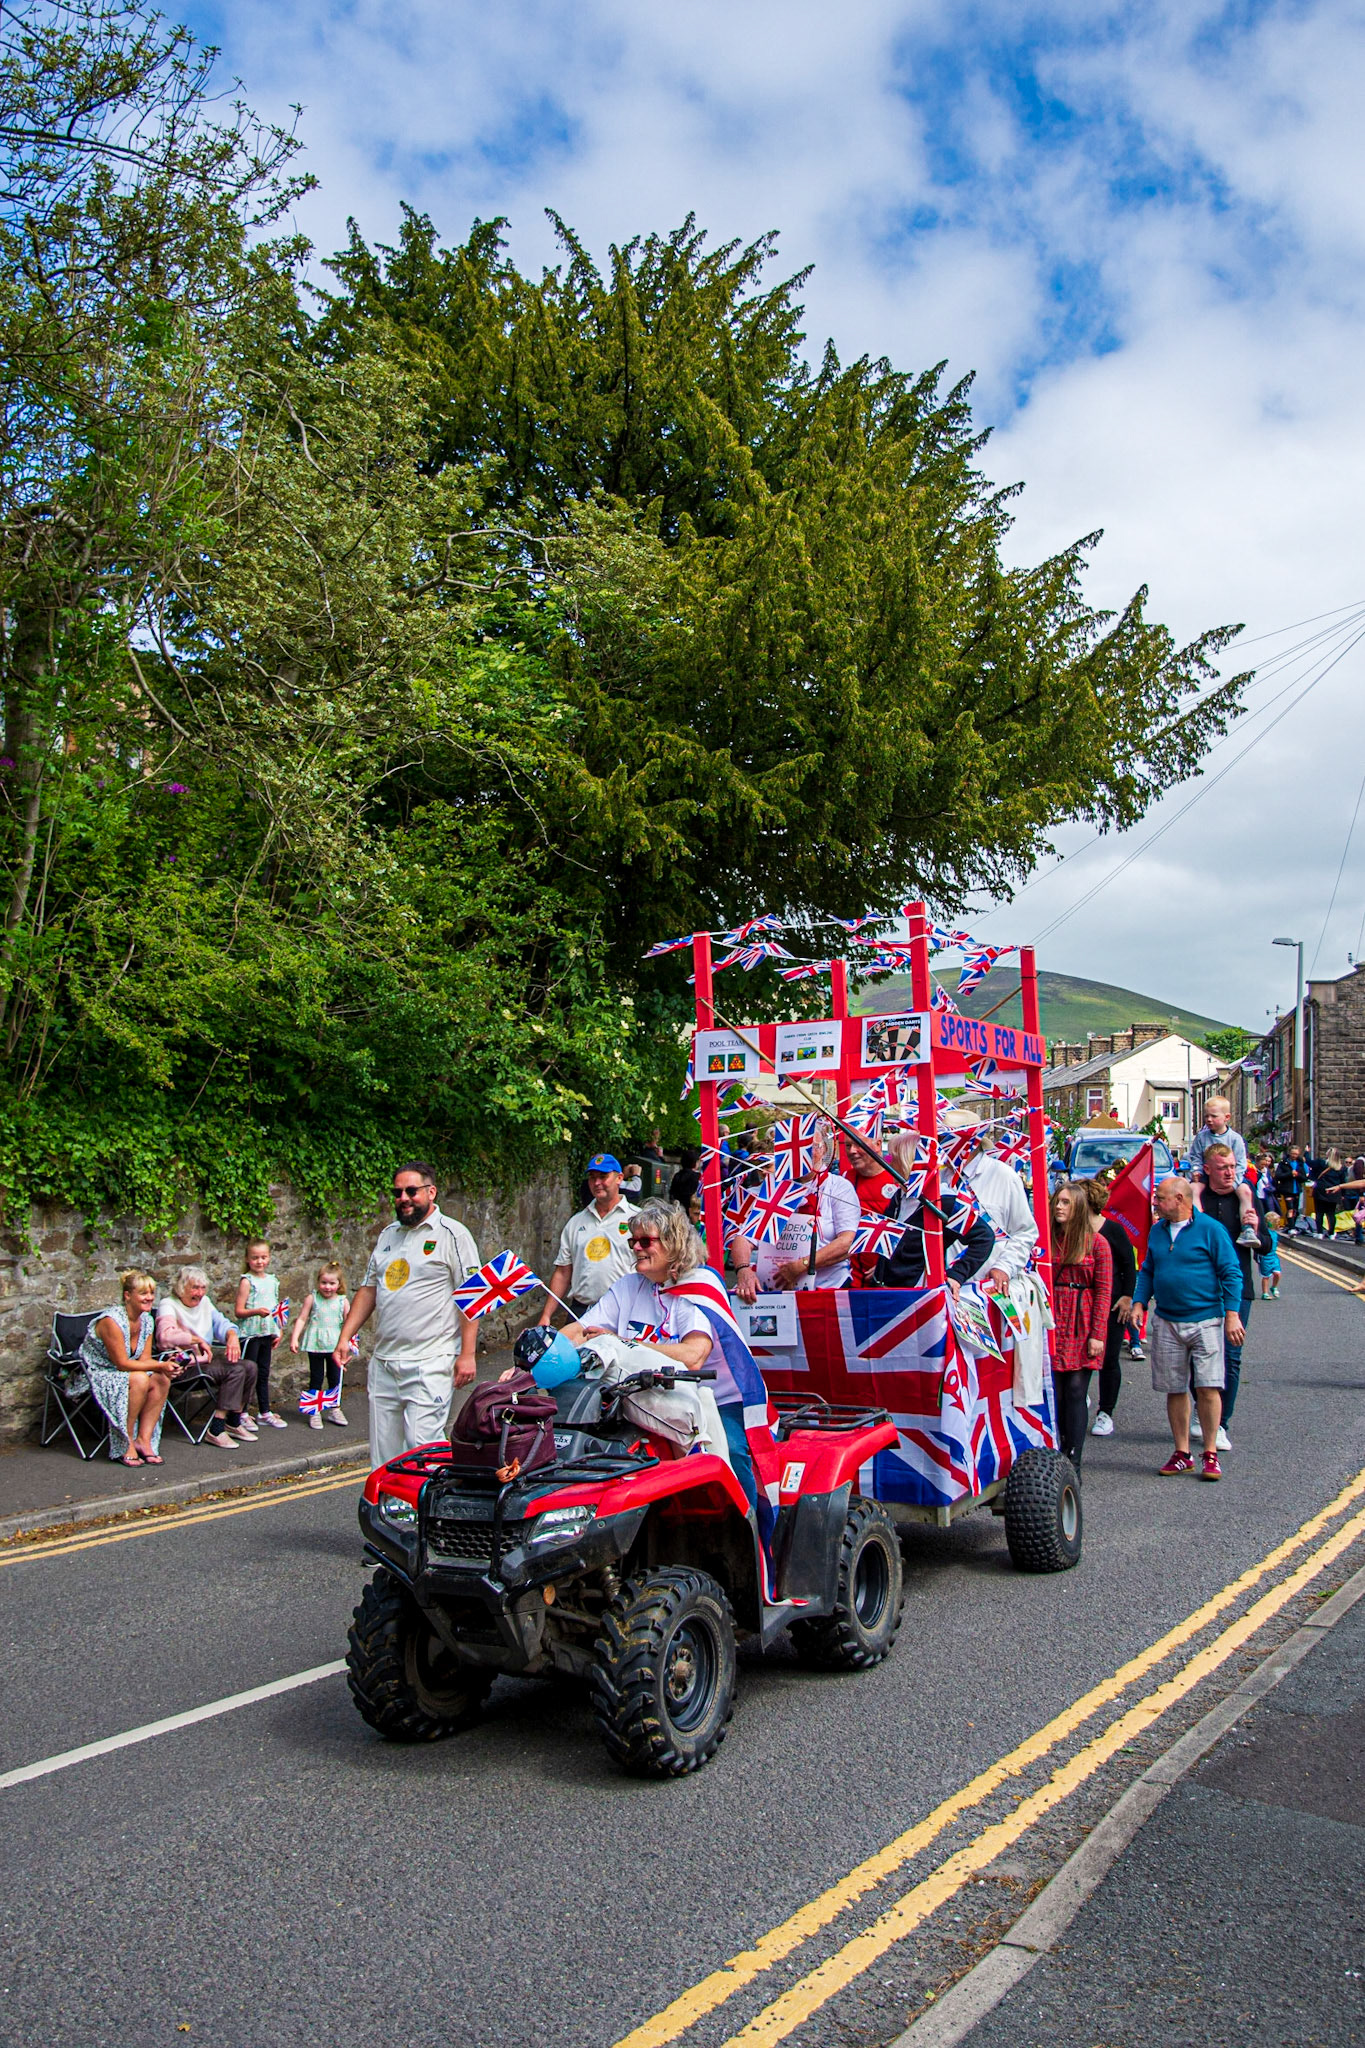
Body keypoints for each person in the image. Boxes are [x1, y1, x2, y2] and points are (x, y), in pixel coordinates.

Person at [562, 1196, 762, 1508]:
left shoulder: (700, 1284)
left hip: (713, 1398)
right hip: (644, 1397)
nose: (636, 1248)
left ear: (673, 1242)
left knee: (733, 1452)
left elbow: (694, 1356)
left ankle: (748, 1526)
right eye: (633, 1241)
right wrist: (545, 1349)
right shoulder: (629, 1286)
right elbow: (580, 1330)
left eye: (646, 1241)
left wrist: (621, 1343)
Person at [334, 1162, 481, 1468]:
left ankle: (433, 1500)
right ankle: (389, 1501)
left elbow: (473, 1295)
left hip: (431, 1360)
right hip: (385, 1362)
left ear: (431, 1192)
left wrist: (467, 1354)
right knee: (384, 1457)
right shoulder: (388, 1235)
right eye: (398, 1192)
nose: (404, 1198)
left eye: (411, 1191)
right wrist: (345, 1337)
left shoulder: (453, 1234)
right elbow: (369, 1290)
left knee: (422, 1449)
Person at [1130, 1176, 1244, 1481]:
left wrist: (1232, 1315)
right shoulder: (1157, 1230)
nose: (1155, 1202)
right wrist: (1139, 1302)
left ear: (1179, 1199)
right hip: (1167, 1320)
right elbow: (1148, 1269)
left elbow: (1231, 1272)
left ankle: (1210, 1452)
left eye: (1160, 1198)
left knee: (1208, 1387)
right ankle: (1182, 1453)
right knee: (1175, 1388)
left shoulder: (1211, 1230)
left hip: (1205, 1319)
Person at [1195, 1142, 1270, 1450]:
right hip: (1201, 1288)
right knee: (1197, 1355)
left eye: (1232, 1167)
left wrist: (1256, 1229)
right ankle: (1202, 1410)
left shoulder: (1246, 1197)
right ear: (1208, 1169)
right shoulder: (1197, 1198)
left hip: (1239, 1290)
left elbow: (1267, 1245)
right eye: (1222, 1168)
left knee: (1231, 1357)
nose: (1229, 1173)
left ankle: (1221, 1423)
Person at [730, 1124, 859, 1300]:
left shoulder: (839, 1187)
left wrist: (801, 1265)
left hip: (829, 1289)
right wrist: (743, 1270)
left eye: (812, 1146)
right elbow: (744, 1237)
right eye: (799, 1147)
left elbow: (846, 1243)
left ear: (823, 1149)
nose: (805, 1153)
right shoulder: (774, 1189)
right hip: (775, 1290)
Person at [863, 1133, 997, 1293]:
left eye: (892, 1158)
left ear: (907, 1162)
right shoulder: (900, 1196)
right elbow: (894, 1243)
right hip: (888, 1291)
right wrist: (882, 1268)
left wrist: (957, 1275)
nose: (888, 1163)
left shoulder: (943, 1201)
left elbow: (984, 1237)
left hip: (919, 1294)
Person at [81, 1269, 179, 1465]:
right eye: (143, 1293)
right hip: (97, 1373)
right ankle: (125, 1442)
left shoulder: (147, 1320)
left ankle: (143, 1440)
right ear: (127, 1295)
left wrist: (165, 1367)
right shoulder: (112, 1321)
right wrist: (160, 1364)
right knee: (141, 1378)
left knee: (161, 1378)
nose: (149, 1298)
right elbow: (122, 1363)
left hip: (127, 1372)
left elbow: (144, 1359)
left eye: (151, 1293)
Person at [1048, 1183, 1112, 1474]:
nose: (1059, 1207)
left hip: (1081, 1318)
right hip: (1054, 1316)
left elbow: (1104, 1291)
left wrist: (1097, 1334)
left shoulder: (1097, 1244)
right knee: (1057, 1392)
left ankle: (1074, 1458)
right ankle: (1059, 1449)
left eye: (1065, 1202)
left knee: (1076, 1389)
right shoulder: (1049, 1239)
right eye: (1057, 1202)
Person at [154, 1266, 253, 1450]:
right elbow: (165, 1337)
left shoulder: (205, 1302)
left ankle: (233, 1421)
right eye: (194, 1288)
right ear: (181, 1288)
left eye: (202, 1288)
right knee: (236, 1370)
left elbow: (222, 1324)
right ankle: (216, 1429)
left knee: (250, 1367)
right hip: (182, 1367)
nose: (199, 1293)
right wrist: (195, 1340)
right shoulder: (168, 1305)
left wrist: (232, 1335)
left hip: (205, 1363)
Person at [538, 1152, 637, 1325]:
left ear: (619, 1178)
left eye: (603, 1176)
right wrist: (546, 1315)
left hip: (624, 1312)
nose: (597, 1183)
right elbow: (562, 1272)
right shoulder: (576, 1222)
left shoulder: (637, 1220)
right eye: (592, 1177)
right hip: (581, 1312)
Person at [1079, 1180, 1137, 1440]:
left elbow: (1128, 1265)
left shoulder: (1113, 1230)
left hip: (1112, 1304)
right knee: (1079, 1356)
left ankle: (1106, 1412)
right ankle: (1079, 1396)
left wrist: (1127, 1297)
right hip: (1080, 1305)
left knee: (1109, 1358)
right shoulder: (1070, 1230)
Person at [952, 1124, 1040, 1294]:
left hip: (989, 1289)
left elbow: (1025, 1232)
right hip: (949, 1288)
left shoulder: (1004, 1176)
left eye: (945, 1140)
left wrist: (1004, 1267)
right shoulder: (939, 1178)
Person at [1187, 1098, 1260, 1246]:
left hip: (1233, 1178)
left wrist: (1234, 1184)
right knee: (1193, 1189)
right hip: (1206, 1175)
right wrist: (1196, 1171)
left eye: (1214, 1116)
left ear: (1227, 1117)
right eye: (1206, 1116)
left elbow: (1241, 1164)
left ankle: (1247, 1229)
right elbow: (1195, 1157)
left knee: (1245, 1192)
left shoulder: (1235, 1139)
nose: (1209, 1119)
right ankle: (1196, 1223)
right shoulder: (1201, 1137)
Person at [290, 1261, 351, 1429]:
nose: (327, 1287)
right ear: (318, 1282)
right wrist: (295, 1338)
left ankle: (335, 1408)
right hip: (315, 1344)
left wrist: (348, 1342)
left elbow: (349, 1323)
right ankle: (314, 1410)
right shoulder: (312, 1298)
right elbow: (302, 1318)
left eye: (332, 1283)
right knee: (316, 1377)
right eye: (324, 1282)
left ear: (339, 1284)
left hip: (335, 1346)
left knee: (335, 1378)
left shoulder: (342, 1301)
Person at [234, 1238, 285, 1431]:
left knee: (263, 1373)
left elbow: (278, 1309)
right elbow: (239, 1311)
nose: (259, 1261)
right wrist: (256, 1312)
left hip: (266, 1333)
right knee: (249, 1373)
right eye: (255, 1258)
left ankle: (264, 1411)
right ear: (247, 1259)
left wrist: (278, 1330)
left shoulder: (272, 1280)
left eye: (263, 1257)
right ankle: (241, 1413)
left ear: (269, 1258)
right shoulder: (247, 1281)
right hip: (250, 1334)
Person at [846, 1135, 901, 1287]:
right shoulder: (844, 1180)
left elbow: (914, 1235)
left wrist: (888, 1266)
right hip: (851, 1281)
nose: (852, 1151)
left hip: (889, 1283)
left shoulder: (898, 1179)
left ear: (878, 1144)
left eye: (858, 1144)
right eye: (848, 1145)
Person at [1311, 1149, 1349, 1238]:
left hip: (1321, 1191)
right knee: (1331, 1213)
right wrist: (1343, 1194)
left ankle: (1319, 1233)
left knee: (1319, 1212)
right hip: (1333, 1192)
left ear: (1328, 1155)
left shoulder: (1321, 1163)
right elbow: (1343, 1182)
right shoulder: (1341, 1168)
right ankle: (1331, 1233)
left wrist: (1306, 1152)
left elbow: (1309, 1163)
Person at [1273, 1145, 1309, 1227]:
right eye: (1292, 1153)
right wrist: (1290, 1174)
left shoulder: (1300, 1163)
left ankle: (1291, 1225)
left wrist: (1297, 1175)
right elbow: (1278, 1175)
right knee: (1290, 1208)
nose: (1294, 1156)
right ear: (1289, 1153)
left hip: (1297, 1189)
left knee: (1295, 1210)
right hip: (1287, 1189)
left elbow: (1304, 1178)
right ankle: (1291, 1227)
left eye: (1296, 1154)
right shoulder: (1283, 1163)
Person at [668, 1147, 703, 1214]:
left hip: (678, 1209)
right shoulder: (697, 1177)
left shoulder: (677, 1176)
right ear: (695, 1162)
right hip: (693, 1209)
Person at [1259, 1221, 1281, 1299]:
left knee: (1277, 1273)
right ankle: (1265, 1293)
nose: (1279, 1224)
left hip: (1274, 1257)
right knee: (1266, 1276)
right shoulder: (1264, 1233)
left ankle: (1274, 1287)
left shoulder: (1275, 1233)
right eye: (1277, 1223)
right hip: (1265, 1258)